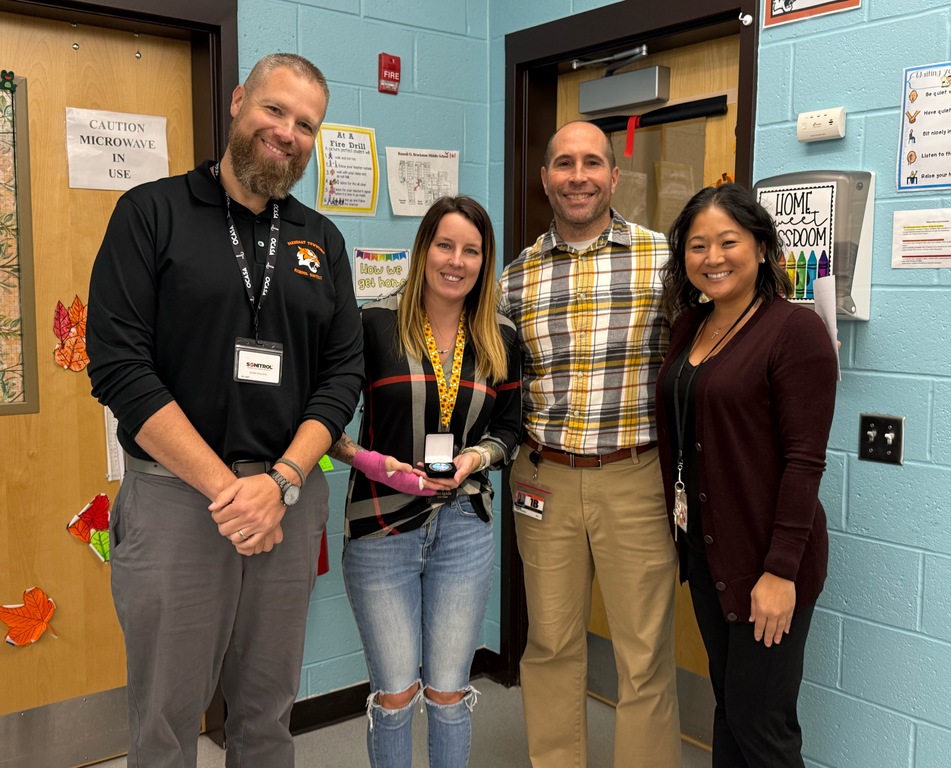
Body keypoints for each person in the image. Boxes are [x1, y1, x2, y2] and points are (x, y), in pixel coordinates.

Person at [86, 53, 363, 768]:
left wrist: (280, 485)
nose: (288, 132)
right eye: (275, 110)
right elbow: (120, 368)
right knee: (166, 724)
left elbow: (342, 375)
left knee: (268, 715)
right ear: (239, 102)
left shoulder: (320, 242)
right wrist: (230, 491)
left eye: (307, 124)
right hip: (179, 500)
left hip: (286, 503)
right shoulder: (151, 214)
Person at [498, 120, 682, 768]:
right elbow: (492, 378)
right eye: (564, 164)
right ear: (545, 177)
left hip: (636, 473)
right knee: (550, 645)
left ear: (614, 176)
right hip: (541, 477)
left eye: (592, 163)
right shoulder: (514, 277)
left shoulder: (664, 260)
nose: (578, 176)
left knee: (644, 653)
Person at [328, 195, 521, 768]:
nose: (456, 261)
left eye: (472, 250)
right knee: (394, 695)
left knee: (448, 692)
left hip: (464, 524)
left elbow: (510, 427)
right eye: (445, 245)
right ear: (423, 249)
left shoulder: (500, 334)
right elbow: (326, 424)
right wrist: (370, 462)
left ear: (485, 261)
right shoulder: (373, 324)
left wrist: (476, 459)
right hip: (381, 522)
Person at [654, 183, 836, 768]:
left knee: (764, 726)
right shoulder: (688, 328)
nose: (713, 258)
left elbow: (804, 461)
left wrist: (780, 571)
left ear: (760, 248)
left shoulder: (795, 332)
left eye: (728, 242)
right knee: (731, 709)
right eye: (698, 245)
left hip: (768, 563)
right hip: (710, 554)